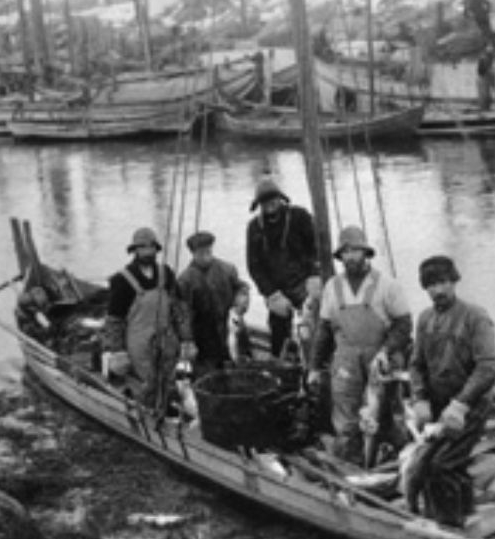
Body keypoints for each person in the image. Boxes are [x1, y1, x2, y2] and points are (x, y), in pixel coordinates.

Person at [406, 255, 495, 526]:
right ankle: (464, 511)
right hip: (437, 407)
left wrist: (460, 404)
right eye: (431, 285)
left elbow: (489, 368)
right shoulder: (425, 320)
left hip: (471, 407)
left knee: (441, 465)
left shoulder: (475, 317)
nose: (438, 290)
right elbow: (416, 365)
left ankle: (448, 526)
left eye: (443, 282)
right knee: (433, 465)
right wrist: (420, 397)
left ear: (454, 282)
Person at [308, 226, 412, 465]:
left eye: (356, 250)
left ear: (366, 253)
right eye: (346, 251)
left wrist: (387, 351)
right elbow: (324, 330)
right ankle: (351, 464)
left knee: (390, 414)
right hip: (346, 361)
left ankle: (396, 461)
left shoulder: (387, 285)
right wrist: (314, 367)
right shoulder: (332, 287)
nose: (351, 256)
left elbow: (404, 325)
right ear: (340, 256)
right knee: (346, 419)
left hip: (381, 360)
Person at [103, 227, 196, 408]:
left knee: (169, 380)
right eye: (142, 248)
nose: (147, 252)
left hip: (167, 339)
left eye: (150, 247)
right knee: (146, 384)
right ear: (135, 251)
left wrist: (187, 339)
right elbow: (115, 320)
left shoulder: (166, 273)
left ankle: (169, 411)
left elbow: (179, 309)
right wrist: (118, 352)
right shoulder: (121, 280)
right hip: (139, 344)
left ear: (156, 249)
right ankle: (147, 415)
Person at [246, 178, 321, 357]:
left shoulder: (300, 217)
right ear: (259, 205)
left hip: (305, 284)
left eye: (273, 199)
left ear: (281, 199)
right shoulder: (255, 228)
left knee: (315, 329)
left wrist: (314, 275)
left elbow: (316, 247)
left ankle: (317, 363)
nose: (270, 204)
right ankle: (283, 365)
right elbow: (254, 266)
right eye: (265, 201)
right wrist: (271, 293)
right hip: (277, 290)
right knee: (279, 333)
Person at [177, 231, 250, 379]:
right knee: (210, 375)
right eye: (200, 253)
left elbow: (241, 287)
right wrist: (187, 339)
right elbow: (182, 313)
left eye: (208, 251)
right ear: (193, 253)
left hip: (231, 327)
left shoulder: (227, 269)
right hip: (204, 337)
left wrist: (242, 299)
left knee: (240, 363)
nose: (205, 256)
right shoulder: (185, 280)